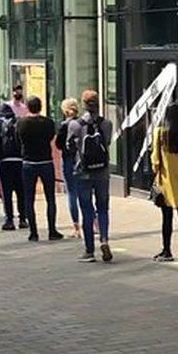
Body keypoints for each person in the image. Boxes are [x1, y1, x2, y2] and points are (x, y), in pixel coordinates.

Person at [66, 90, 114, 263]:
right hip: (102, 172)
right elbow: (106, 143)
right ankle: (104, 239)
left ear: (84, 104)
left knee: (87, 210)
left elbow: (69, 147)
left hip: (83, 172)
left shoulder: (75, 125)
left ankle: (89, 250)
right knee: (103, 208)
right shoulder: (106, 124)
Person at [151, 102, 178, 263]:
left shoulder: (161, 134)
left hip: (166, 181)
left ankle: (167, 250)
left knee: (167, 217)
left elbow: (156, 160)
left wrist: (157, 172)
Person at [17, 96, 63, 242]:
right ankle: (52, 230)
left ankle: (34, 232)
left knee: (29, 198)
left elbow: (19, 139)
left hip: (28, 162)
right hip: (45, 161)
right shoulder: (48, 123)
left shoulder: (22, 123)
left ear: (28, 107)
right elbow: (51, 138)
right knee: (50, 198)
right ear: (40, 107)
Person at [0, 103, 27, 230]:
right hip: (19, 161)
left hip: (4, 161)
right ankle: (23, 219)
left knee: (7, 192)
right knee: (21, 191)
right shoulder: (19, 122)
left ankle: (9, 220)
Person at [55, 99, 82, 238]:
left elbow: (59, 144)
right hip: (83, 161)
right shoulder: (82, 123)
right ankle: (94, 223)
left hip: (69, 160)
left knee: (72, 193)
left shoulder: (64, 125)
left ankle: (77, 227)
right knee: (85, 192)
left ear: (65, 111)